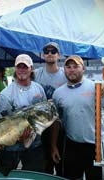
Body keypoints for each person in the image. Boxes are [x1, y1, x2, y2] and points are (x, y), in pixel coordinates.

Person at [51, 55, 104, 180]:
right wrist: (53, 146)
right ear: (64, 70)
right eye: (68, 67)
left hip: (95, 146)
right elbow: (56, 122)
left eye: (75, 66)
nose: (72, 69)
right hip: (71, 145)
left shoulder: (97, 88)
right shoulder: (58, 93)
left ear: (83, 69)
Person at [0, 54, 47, 176]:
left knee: (34, 176)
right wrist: (19, 137)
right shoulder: (5, 95)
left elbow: (45, 113)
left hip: (35, 145)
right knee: (3, 175)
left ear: (31, 69)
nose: (22, 70)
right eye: (19, 67)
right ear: (15, 69)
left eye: (25, 67)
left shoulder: (39, 89)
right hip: (11, 148)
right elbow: (1, 125)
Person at [34, 42, 67, 175]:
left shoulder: (66, 74)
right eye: (46, 52)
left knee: (61, 167)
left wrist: (102, 88)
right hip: (40, 129)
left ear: (58, 55)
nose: (49, 54)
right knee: (44, 168)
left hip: (61, 127)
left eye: (53, 51)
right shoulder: (35, 74)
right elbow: (20, 78)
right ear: (43, 55)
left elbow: (80, 84)